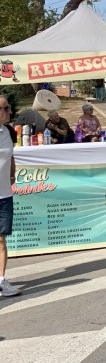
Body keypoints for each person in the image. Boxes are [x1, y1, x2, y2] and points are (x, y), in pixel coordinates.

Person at [0, 96, 20, 297]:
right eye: (6, 108)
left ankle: (1, 281)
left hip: (4, 195)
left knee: (1, 240)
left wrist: (12, 174)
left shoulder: (8, 131)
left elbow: (10, 154)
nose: (10, 111)